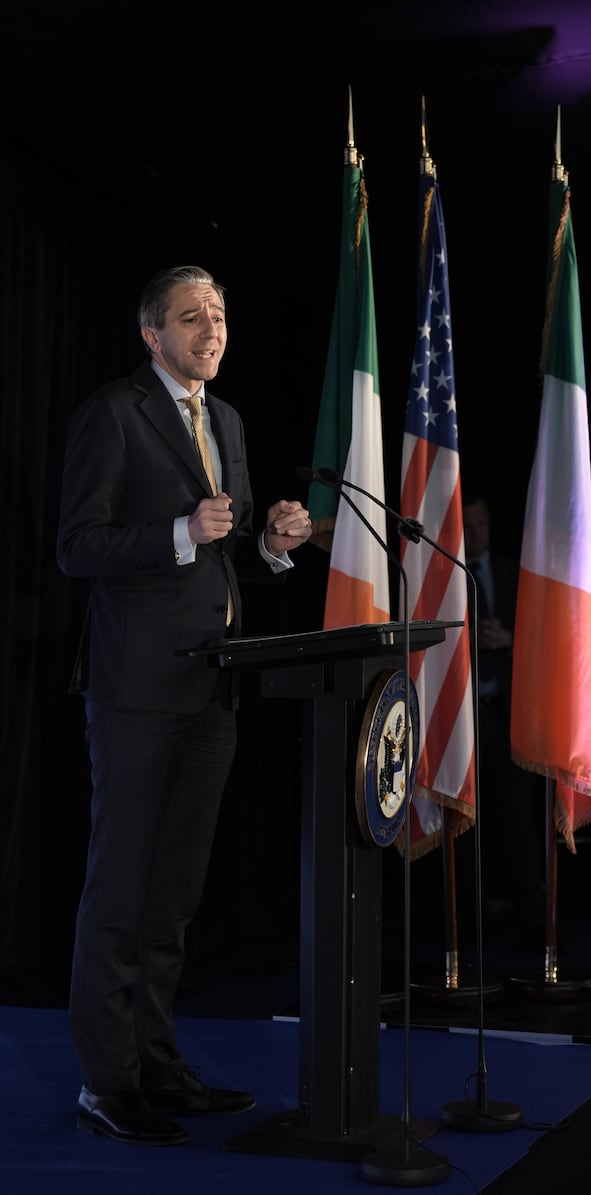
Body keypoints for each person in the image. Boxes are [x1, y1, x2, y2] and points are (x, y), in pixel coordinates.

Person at [56, 265, 313, 1147]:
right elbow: (77, 546)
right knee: (122, 888)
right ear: (151, 333)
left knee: (173, 896)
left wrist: (270, 545)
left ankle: (158, 1063)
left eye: (220, 315)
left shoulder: (227, 419)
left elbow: (224, 543)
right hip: (136, 690)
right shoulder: (113, 412)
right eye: (191, 315)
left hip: (213, 685)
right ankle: (106, 1082)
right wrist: (178, 532)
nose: (211, 328)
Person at [461, 492, 545, 942]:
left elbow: (546, 637)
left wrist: (509, 638)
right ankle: (467, 924)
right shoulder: (447, 575)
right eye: (468, 528)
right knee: (464, 825)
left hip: (511, 717)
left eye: (482, 527)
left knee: (519, 823)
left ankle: (535, 918)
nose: (476, 535)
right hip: (465, 721)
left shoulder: (516, 574)